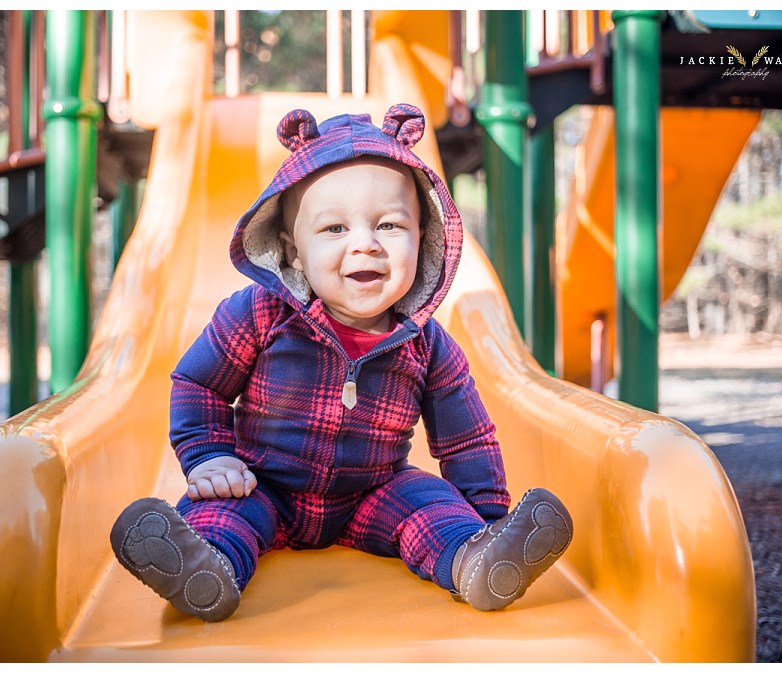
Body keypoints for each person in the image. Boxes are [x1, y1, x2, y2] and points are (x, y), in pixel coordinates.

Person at [110, 103, 572, 622]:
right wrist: (209, 457)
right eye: (333, 229)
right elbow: (199, 384)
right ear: (293, 251)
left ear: (425, 240)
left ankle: (477, 561)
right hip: (265, 484)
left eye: (390, 225)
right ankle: (204, 570)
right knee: (222, 513)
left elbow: (467, 439)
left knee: (429, 504)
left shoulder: (425, 342)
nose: (365, 245)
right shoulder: (259, 314)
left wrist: (486, 519)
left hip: (374, 491)